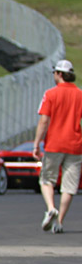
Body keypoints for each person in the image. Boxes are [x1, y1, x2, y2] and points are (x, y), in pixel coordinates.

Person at [33, 59, 82, 233]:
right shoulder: (80, 94)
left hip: (55, 144)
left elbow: (44, 120)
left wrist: (37, 144)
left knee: (47, 180)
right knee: (69, 187)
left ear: (59, 74)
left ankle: (51, 208)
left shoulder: (51, 94)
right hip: (75, 146)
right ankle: (59, 221)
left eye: (55, 72)